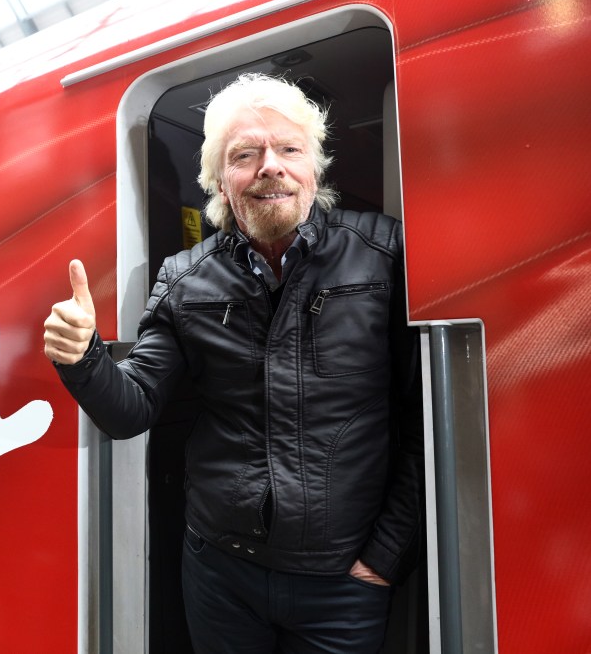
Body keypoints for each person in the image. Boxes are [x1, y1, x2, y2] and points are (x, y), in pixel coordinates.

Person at [44, 73, 423, 653]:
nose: (270, 165)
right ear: (220, 181)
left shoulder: (382, 255)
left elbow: (424, 416)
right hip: (221, 573)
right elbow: (130, 409)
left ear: (313, 169)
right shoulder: (184, 277)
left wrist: (383, 558)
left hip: (343, 582)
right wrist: (82, 357)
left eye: (289, 149)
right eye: (245, 154)